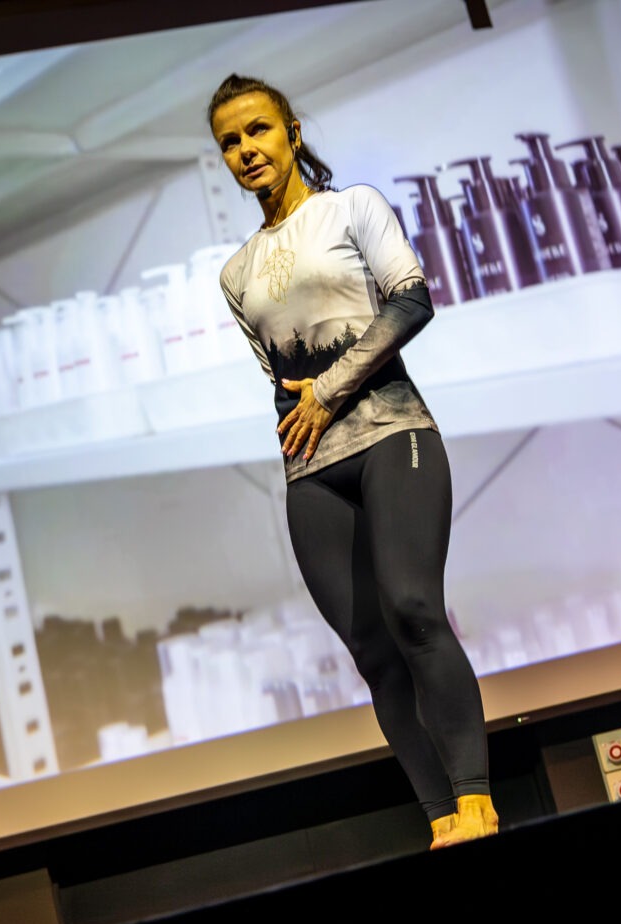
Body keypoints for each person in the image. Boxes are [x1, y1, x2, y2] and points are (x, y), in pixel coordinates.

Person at [208, 74, 496, 849]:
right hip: (311, 470)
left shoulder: (351, 208)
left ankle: (478, 802)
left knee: (414, 610)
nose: (246, 149)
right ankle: (442, 819)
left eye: (258, 130)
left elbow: (411, 300)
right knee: (373, 653)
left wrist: (329, 390)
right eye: (230, 142)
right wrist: (302, 410)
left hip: (392, 432)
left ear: (292, 133)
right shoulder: (235, 273)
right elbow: (279, 378)